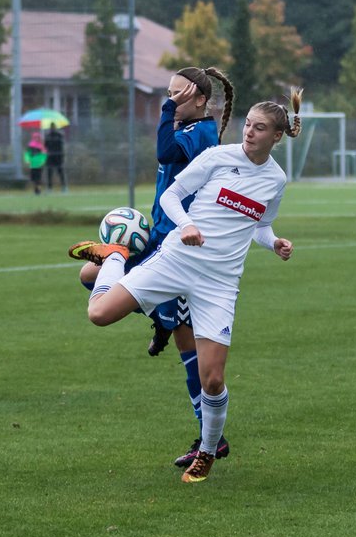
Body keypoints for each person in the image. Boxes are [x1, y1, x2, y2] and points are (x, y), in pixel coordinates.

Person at [69, 90, 301, 483]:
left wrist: (274, 241)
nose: (248, 133)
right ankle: (113, 256)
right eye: (247, 124)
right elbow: (174, 195)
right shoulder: (217, 157)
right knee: (99, 313)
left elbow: (260, 225)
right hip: (176, 259)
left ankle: (208, 452)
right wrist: (187, 225)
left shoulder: (276, 180)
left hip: (220, 284)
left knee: (213, 379)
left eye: (259, 128)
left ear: (276, 136)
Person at [74, 66, 235, 469]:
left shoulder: (201, 133)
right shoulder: (189, 129)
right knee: (88, 276)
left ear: (198, 99)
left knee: (186, 344)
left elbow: (164, 151)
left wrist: (165, 111)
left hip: (176, 250)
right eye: (168, 93)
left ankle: (210, 437)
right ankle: (157, 314)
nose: (171, 100)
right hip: (158, 242)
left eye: (177, 95)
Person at [44, 124, 67, 192]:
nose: (52, 129)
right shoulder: (47, 136)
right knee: (49, 173)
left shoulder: (59, 136)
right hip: (50, 157)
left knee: (60, 172)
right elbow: (45, 146)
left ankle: (64, 187)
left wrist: (62, 156)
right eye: (51, 127)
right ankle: (49, 188)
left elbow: (62, 146)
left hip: (58, 156)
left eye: (53, 127)